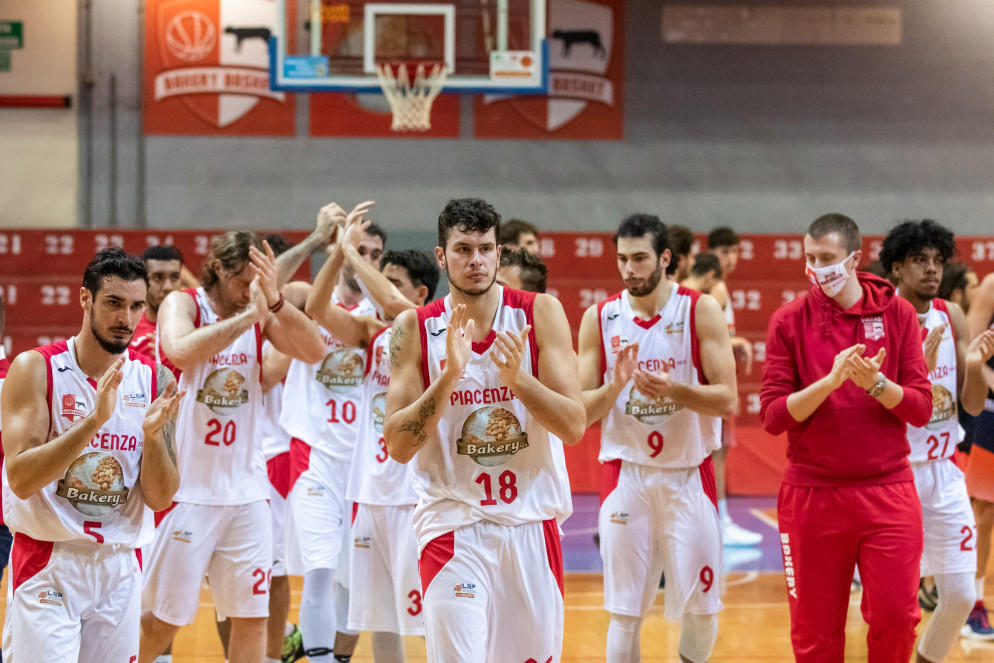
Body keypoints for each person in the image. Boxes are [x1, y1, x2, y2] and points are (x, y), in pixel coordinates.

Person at [384, 197, 584, 663]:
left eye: (485, 249)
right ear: (441, 256)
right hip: (452, 526)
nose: (476, 260)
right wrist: (448, 377)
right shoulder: (413, 327)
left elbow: (574, 426)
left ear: (498, 252)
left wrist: (520, 381)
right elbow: (397, 445)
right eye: (463, 249)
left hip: (530, 525)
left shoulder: (541, 313)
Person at [138, 231, 326, 663]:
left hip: (246, 492)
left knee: (253, 618)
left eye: (257, 283)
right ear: (219, 268)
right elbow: (180, 351)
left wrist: (273, 302)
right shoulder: (183, 303)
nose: (249, 291)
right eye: (244, 281)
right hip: (187, 492)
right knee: (162, 621)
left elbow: (314, 350)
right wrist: (249, 318)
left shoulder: (259, 309)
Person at [760, 213, 933, 661]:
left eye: (827, 258)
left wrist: (876, 385)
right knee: (815, 633)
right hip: (812, 496)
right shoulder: (788, 320)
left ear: (854, 258)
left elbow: (921, 408)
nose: (817, 268)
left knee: (897, 619)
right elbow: (773, 417)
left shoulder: (898, 314)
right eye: (810, 258)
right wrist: (830, 382)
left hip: (887, 492)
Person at [1, 247, 182, 662]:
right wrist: (93, 422)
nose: (126, 319)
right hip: (49, 559)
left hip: (120, 565)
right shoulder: (35, 369)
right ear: (86, 298)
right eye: (114, 303)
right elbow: (21, 479)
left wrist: (154, 439)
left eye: (136, 306)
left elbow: (161, 498)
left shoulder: (155, 379)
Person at [577, 214, 735, 663]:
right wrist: (614, 386)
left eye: (640, 258)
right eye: (622, 259)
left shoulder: (699, 309)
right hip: (628, 476)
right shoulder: (599, 318)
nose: (629, 269)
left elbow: (727, 400)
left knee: (702, 610)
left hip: (689, 477)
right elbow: (580, 413)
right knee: (625, 612)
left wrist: (676, 391)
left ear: (665, 258)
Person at [306, 225, 439, 662]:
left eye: (391, 281)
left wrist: (352, 253)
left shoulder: (434, 330)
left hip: (415, 497)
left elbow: (394, 305)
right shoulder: (374, 334)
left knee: (431, 621)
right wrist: (337, 255)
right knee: (382, 621)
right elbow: (317, 308)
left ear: (420, 293)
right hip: (370, 494)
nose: (377, 289)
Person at [880, 219, 994, 661]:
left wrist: (976, 366)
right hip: (896, 474)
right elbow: (873, 403)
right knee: (896, 605)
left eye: (937, 261)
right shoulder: (881, 318)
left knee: (960, 597)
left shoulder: (952, 315)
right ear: (896, 267)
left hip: (944, 472)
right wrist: (916, 372)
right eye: (919, 260)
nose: (931, 269)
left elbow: (971, 404)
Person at [279, 202, 385, 663]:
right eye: (360, 249)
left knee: (352, 580)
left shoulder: (383, 312)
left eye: (374, 253)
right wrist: (321, 241)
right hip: (314, 456)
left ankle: (333, 656)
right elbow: (263, 289)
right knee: (320, 571)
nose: (366, 258)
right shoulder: (309, 296)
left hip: (363, 464)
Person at [705, 226, 760, 547]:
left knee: (719, 450)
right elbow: (708, 337)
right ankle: (719, 520)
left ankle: (718, 518)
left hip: (719, 378)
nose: (731, 258)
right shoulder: (716, 289)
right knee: (716, 450)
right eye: (724, 251)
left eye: (735, 251)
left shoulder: (721, 286)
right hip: (714, 381)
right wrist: (737, 342)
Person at [964, 269, 994, 638]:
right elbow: (968, 352)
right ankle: (973, 604)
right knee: (984, 511)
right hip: (992, 411)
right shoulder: (991, 286)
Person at [131, 246, 185, 377]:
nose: (168, 287)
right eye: (158, 277)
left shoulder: (196, 328)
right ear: (143, 282)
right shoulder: (127, 329)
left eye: (175, 277)